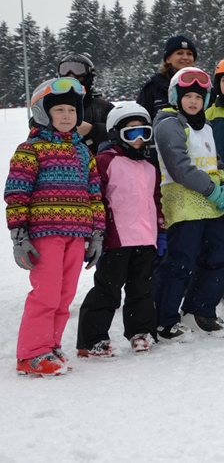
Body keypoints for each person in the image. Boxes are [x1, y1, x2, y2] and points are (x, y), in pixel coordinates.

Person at [7, 78, 105, 376]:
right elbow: (16, 193)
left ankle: (50, 345)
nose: (66, 116)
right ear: (43, 114)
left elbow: (94, 194)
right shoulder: (30, 149)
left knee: (64, 296)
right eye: (59, 110)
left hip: (77, 236)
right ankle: (31, 354)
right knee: (46, 294)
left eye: (71, 111)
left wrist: (97, 233)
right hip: (44, 235)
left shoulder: (82, 152)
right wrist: (18, 234)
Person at [152, 68, 224, 340]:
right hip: (182, 202)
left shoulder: (206, 125)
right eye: (187, 96)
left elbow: (216, 161)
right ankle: (165, 320)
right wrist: (214, 190)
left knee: (223, 254)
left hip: (208, 202)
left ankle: (198, 310)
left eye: (198, 97)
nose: (193, 101)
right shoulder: (169, 124)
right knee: (181, 261)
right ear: (175, 97)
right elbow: (179, 166)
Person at [74, 103, 162, 358]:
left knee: (142, 289)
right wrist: (94, 233)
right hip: (116, 239)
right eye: (131, 133)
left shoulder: (149, 166)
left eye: (143, 132)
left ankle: (141, 332)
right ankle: (92, 339)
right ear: (116, 134)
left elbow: (155, 199)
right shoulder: (105, 161)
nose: (139, 139)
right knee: (107, 290)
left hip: (146, 239)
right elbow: (95, 197)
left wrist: (161, 230)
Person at [58, 53, 114, 155]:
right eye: (65, 69)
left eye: (78, 71)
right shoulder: (51, 104)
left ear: (89, 75)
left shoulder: (103, 107)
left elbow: (120, 133)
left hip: (96, 163)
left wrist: (92, 130)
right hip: (59, 163)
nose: (71, 75)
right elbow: (36, 126)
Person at [137, 35, 197, 119]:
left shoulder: (202, 85)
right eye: (179, 53)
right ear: (168, 59)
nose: (185, 57)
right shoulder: (153, 87)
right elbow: (140, 119)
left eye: (189, 54)